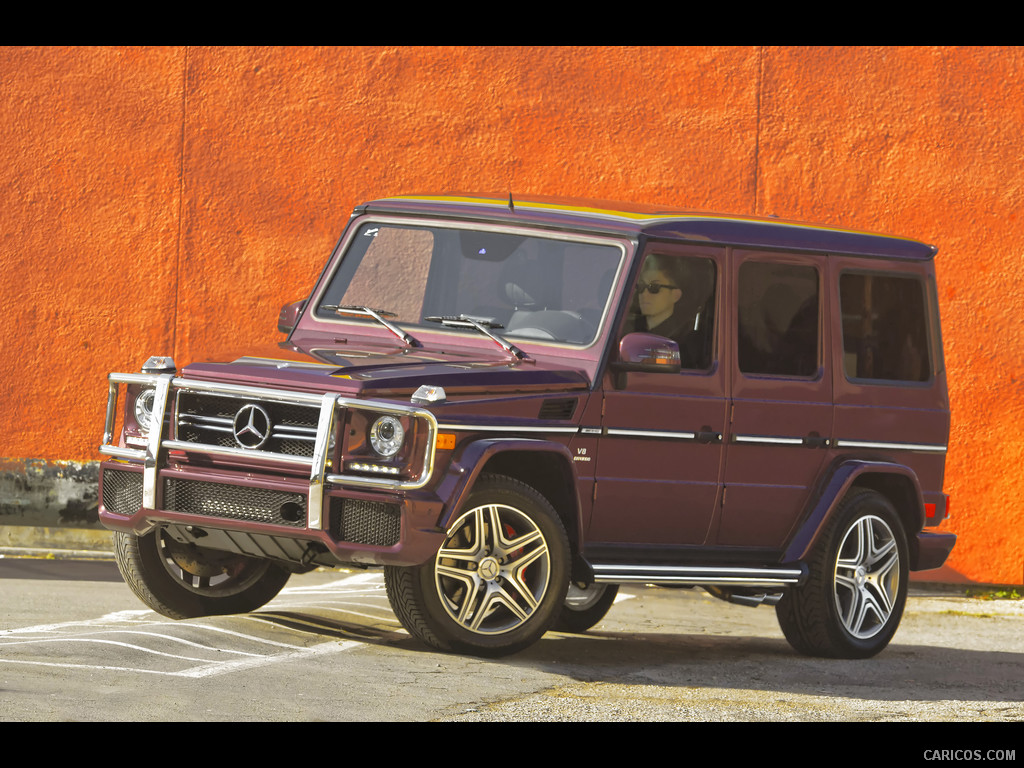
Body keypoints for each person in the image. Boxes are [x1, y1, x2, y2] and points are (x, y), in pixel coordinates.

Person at [632, 254, 709, 369]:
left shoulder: (685, 340)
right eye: (641, 286)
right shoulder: (626, 328)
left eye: (654, 287)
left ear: (675, 295)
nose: (644, 294)